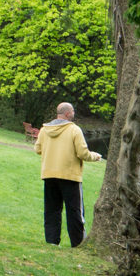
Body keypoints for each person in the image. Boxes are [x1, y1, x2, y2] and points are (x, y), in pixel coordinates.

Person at [35, 102, 102, 247]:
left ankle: (52, 242)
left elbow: (37, 149)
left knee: (52, 210)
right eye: (72, 111)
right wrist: (95, 156)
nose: (74, 113)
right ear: (67, 114)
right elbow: (83, 153)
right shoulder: (74, 130)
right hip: (70, 175)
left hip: (49, 174)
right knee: (75, 212)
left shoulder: (44, 129)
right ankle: (78, 243)